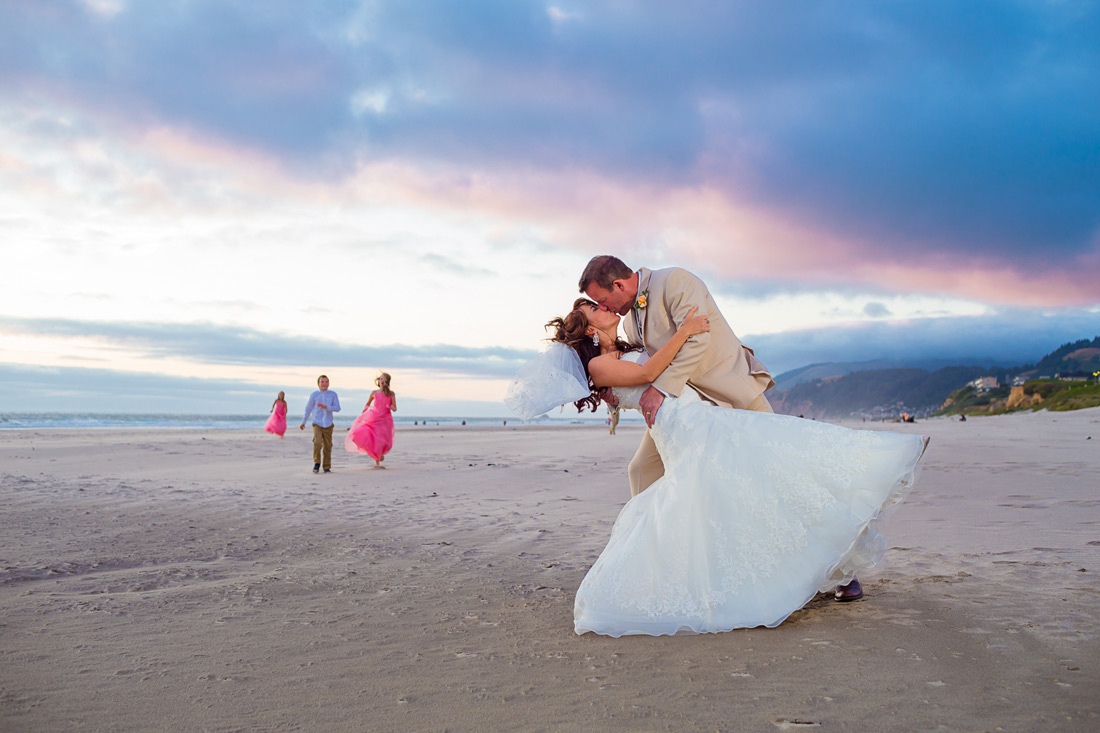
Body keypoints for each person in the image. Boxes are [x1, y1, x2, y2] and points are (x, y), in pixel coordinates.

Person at [531, 299, 928, 636]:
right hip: (684, 428)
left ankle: (834, 547)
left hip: (696, 417)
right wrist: (685, 331)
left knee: (763, 467)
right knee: (752, 473)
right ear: (588, 329)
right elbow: (649, 375)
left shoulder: (619, 349)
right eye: (594, 309)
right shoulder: (600, 367)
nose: (604, 308)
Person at [345, 372, 397, 468]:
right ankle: (377, 461)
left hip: (385, 419)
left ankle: (379, 454)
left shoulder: (391, 394)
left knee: (383, 439)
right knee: (373, 437)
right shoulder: (374, 393)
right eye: (380, 379)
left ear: (387, 382)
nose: (381, 381)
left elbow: (395, 408)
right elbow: (368, 404)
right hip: (374, 417)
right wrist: (363, 414)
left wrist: (391, 407)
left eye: (384, 379)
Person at [300, 375, 341, 473]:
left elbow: (337, 408)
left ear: (329, 383)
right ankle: (317, 463)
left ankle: (326, 467)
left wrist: (326, 407)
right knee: (317, 442)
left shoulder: (333, 394)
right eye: (322, 382)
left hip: (328, 423)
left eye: (326, 381)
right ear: (318, 384)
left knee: (328, 446)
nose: (324, 383)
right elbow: (308, 409)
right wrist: (303, 422)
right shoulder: (314, 395)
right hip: (317, 422)